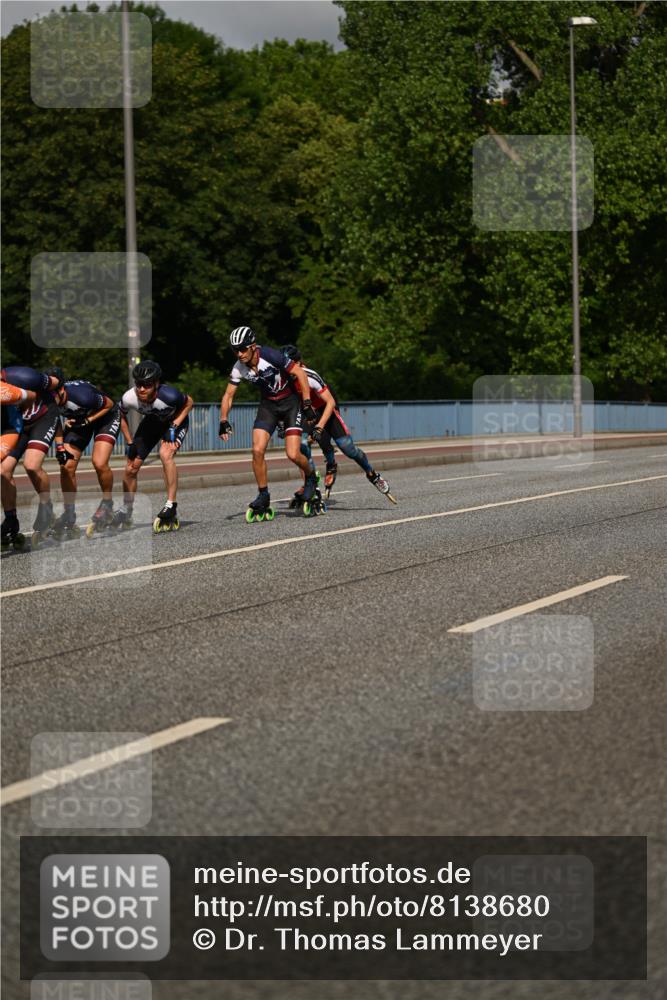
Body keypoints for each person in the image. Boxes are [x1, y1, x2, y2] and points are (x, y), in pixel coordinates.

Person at [219, 326, 321, 520]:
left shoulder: (270, 355)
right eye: (235, 350)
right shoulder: (238, 367)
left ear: (253, 346)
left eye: (242, 349)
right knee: (257, 451)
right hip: (268, 407)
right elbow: (228, 395)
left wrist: (307, 403)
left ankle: (310, 477)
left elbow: (299, 373)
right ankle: (263, 494)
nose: (239, 354)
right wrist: (223, 419)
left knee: (292, 454)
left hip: (290, 403)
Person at [280, 345, 396, 504]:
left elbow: (330, 402)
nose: (287, 370)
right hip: (305, 412)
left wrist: (320, 426)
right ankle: (311, 482)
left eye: (290, 365)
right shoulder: (281, 379)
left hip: (325, 408)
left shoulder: (310, 376)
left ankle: (372, 474)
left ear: (299, 363)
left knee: (347, 448)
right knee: (301, 444)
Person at [117, 361, 193, 533]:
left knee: (165, 454)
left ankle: (171, 504)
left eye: (147, 385)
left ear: (157, 384)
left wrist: (174, 426)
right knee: (131, 467)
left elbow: (189, 403)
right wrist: (130, 442)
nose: (142, 389)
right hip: (153, 423)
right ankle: (127, 508)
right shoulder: (129, 397)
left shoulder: (170, 395)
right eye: (138, 384)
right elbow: (119, 415)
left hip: (175, 422)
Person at [1, 365, 63, 548]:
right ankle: (11, 518)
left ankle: (46, 507)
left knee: (31, 465)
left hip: (43, 418)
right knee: (3, 471)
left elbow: (57, 382)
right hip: (16, 425)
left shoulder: (25, 376)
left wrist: (60, 443)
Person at [52, 379, 121, 538]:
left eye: (53, 394)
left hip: (105, 416)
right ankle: (69, 512)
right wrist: (61, 446)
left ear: (62, 390)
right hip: (81, 419)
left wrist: (88, 420)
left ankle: (107, 503)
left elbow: (109, 404)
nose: (49, 398)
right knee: (66, 465)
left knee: (99, 462)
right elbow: (54, 422)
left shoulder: (82, 396)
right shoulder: (48, 399)